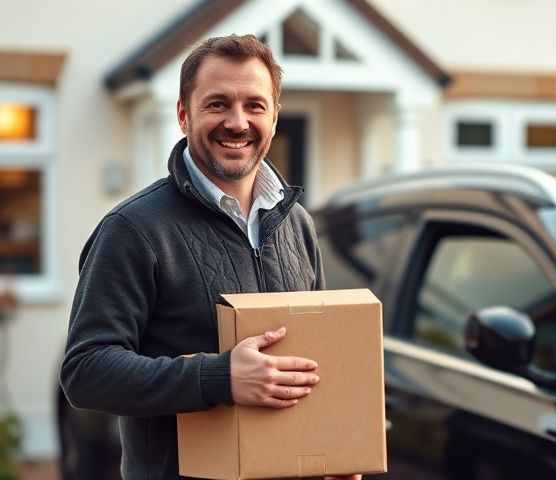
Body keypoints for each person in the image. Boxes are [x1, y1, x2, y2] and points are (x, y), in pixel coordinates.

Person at [60, 34, 361, 480]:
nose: (237, 122)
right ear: (184, 115)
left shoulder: (298, 224)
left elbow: (309, 360)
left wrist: (330, 449)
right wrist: (220, 378)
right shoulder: (133, 230)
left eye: (255, 106)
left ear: (275, 118)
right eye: (217, 104)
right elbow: (86, 371)